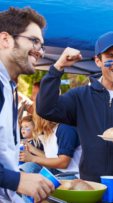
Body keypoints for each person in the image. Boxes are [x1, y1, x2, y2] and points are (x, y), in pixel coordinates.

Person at [36, 31, 113, 202]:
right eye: (110, 56)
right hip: (90, 192)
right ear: (97, 61)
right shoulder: (79, 97)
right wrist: (58, 67)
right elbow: (45, 109)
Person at [0, 6, 54, 203]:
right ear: (5, 39)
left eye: (41, 45)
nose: (39, 51)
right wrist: (17, 180)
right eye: (34, 41)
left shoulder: (9, 87)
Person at [20, 106, 81, 203]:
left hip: (72, 176)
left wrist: (31, 158)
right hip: (57, 172)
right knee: (27, 169)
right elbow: (51, 158)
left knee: (33, 184)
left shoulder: (66, 128)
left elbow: (63, 163)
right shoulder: (52, 131)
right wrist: (33, 150)